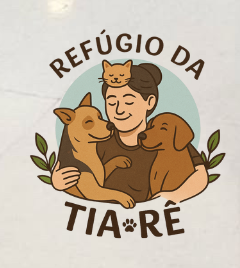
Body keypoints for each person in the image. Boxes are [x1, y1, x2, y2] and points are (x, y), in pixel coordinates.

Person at [48, 61, 208, 205]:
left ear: (150, 102)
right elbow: (69, 157)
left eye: (129, 101)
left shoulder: (163, 137)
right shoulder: (98, 137)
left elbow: (200, 173)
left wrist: (174, 196)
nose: (119, 110)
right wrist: (57, 179)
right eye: (112, 102)